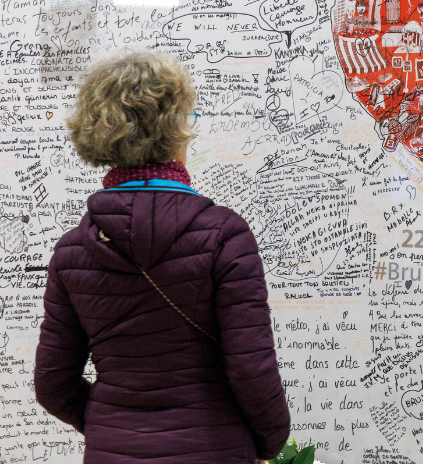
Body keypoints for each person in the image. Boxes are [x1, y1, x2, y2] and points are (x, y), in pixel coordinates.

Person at [34, 49, 290, 463]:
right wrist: (269, 442)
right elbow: (251, 370)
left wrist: (112, 425)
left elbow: (52, 384)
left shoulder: (72, 251)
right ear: (173, 128)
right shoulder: (226, 236)